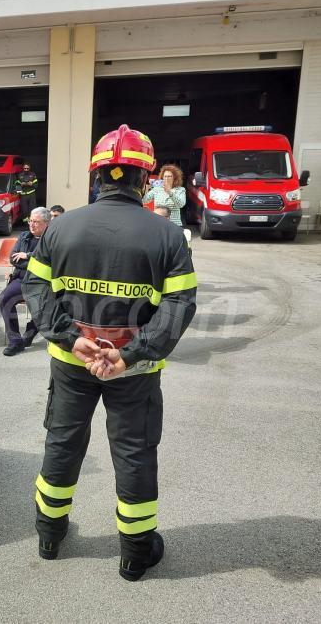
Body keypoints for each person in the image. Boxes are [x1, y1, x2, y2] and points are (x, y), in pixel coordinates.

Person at [22, 124, 197, 581]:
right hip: (134, 372)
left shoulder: (60, 228)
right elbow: (179, 305)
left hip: (71, 363)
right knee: (134, 453)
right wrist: (130, 353)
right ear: (146, 178)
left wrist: (70, 339)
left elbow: (36, 287)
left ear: (97, 176)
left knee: (62, 443)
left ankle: (49, 535)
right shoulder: (168, 236)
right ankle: (136, 554)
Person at [0, 207, 50, 356]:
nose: (32, 224)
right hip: (21, 279)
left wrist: (27, 256)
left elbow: (48, 261)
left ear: (46, 223)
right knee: (5, 298)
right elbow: (13, 259)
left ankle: (31, 330)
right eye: (30, 221)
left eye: (36, 222)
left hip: (41, 282)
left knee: (43, 305)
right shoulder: (24, 236)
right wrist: (32, 261)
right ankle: (15, 341)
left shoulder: (51, 238)